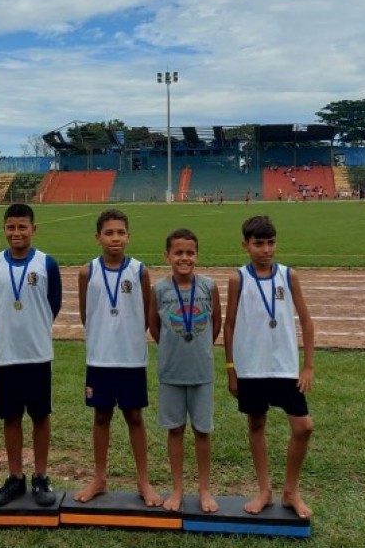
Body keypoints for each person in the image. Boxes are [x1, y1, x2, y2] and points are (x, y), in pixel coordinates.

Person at [223, 215, 314, 519]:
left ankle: (291, 491)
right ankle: (264, 490)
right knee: (256, 425)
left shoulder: (289, 276)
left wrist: (308, 366)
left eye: (270, 242)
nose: (265, 249)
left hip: (285, 367)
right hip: (252, 367)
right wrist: (231, 368)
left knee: (303, 427)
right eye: (258, 243)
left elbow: (306, 320)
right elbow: (230, 324)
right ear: (245, 245)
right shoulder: (239, 279)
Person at [74, 209, 162, 507]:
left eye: (120, 232)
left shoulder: (140, 271)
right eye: (109, 233)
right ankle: (99, 478)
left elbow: (147, 315)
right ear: (97, 236)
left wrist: (127, 339)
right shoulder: (88, 272)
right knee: (101, 416)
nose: (115, 238)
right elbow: (88, 315)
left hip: (131, 359)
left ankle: (143, 481)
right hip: (99, 358)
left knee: (135, 417)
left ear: (128, 236)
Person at [0, 203, 62, 507]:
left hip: (37, 352)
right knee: (11, 416)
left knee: (40, 416)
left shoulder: (47, 264)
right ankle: (15, 477)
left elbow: (53, 304)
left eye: (22, 227)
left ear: (33, 229)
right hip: (5, 353)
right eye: (11, 227)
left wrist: (34, 327)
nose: (16, 233)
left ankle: (41, 477)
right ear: (4, 229)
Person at [148, 228, 222, 513]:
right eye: (178, 253)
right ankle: (177, 488)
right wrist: (172, 347)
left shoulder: (208, 286)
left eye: (190, 253)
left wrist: (199, 348)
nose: (184, 258)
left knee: (203, 431)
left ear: (197, 255)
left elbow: (215, 322)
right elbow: (155, 327)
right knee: (175, 430)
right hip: (171, 373)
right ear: (167, 256)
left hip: (202, 373)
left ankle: (204, 488)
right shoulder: (160, 290)